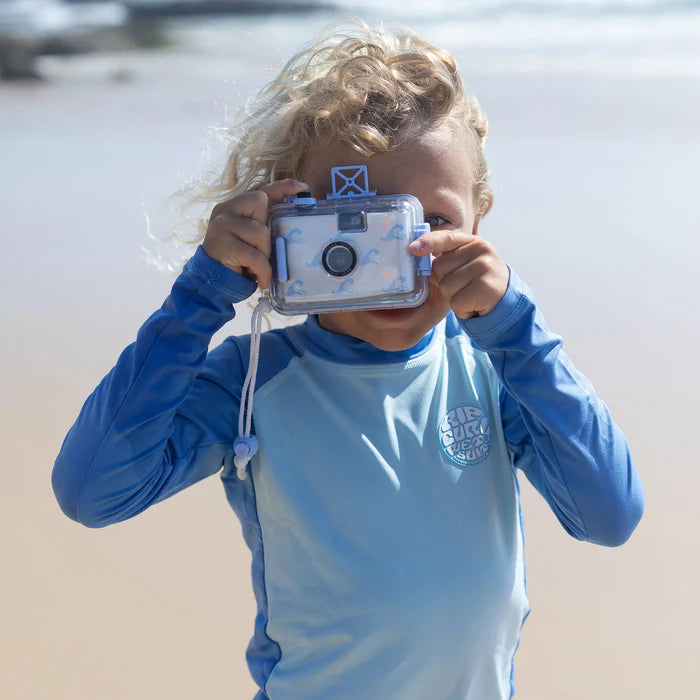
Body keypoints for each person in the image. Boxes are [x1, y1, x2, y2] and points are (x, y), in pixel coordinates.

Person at [51, 18, 644, 700]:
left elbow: (609, 514)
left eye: (431, 226)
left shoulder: (496, 367)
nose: (395, 264)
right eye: (352, 230)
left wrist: (515, 325)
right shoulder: (252, 382)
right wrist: (202, 293)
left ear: (480, 218)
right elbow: (92, 492)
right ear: (284, 231)